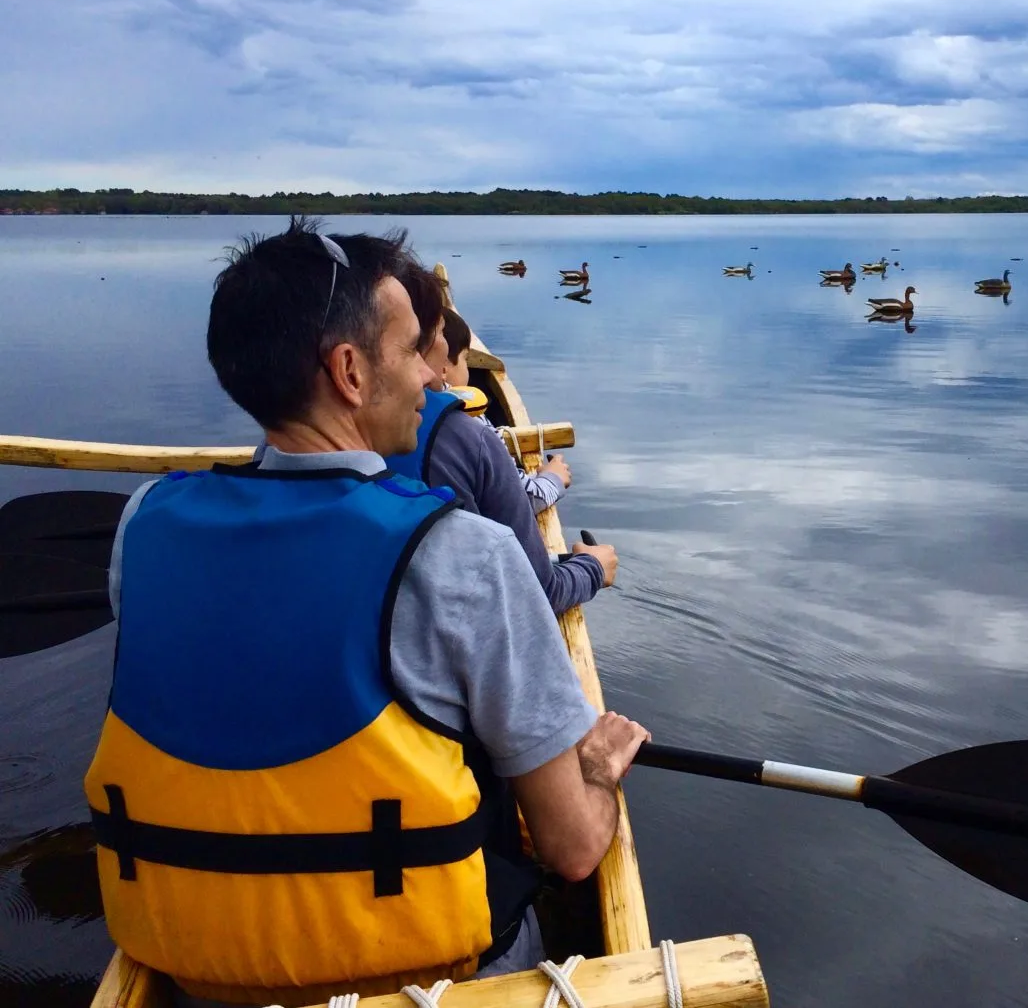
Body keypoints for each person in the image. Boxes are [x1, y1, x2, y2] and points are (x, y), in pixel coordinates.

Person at [85, 218, 648, 1007]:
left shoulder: (142, 525)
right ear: (349, 370)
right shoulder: (464, 555)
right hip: (426, 980)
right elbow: (576, 848)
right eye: (415, 348)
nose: (434, 375)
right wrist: (595, 769)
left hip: (197, 973)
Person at [390, 265, 612, 615]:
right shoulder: (466, 437)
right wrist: (593, 568)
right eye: (437, 331)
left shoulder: (296, 456)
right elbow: (540, 591)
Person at [437, 305, 570, 513]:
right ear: (443, 367)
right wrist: (554, 477)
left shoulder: (415, 413)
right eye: (465, 358)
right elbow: (522, 500)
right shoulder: (471, 421)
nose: (467, 369)